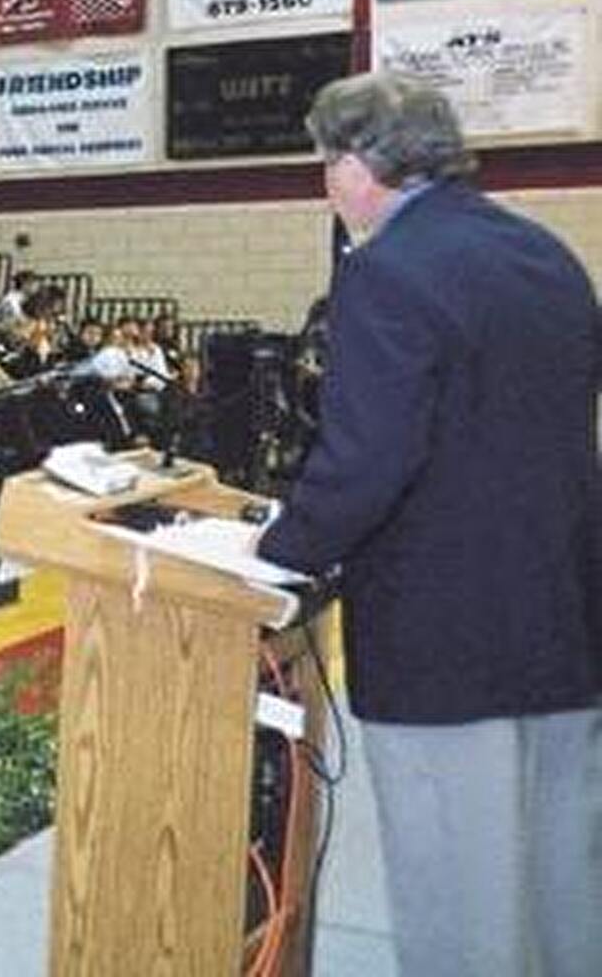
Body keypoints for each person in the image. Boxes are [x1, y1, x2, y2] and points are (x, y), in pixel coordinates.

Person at [255, 73, 600, 977]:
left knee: (460, 895)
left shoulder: (384, 273)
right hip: (565, 625)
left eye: (325, 163)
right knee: (564, 881)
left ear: (361, 162)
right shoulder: (547, 257)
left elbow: (370, 457)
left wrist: (277, 551)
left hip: (446, 641)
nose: (326, 183)